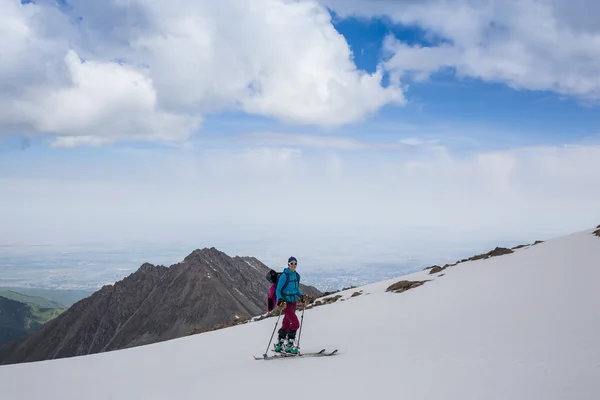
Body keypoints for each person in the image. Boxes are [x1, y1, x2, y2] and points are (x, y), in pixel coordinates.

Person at [274, 256, 306, 354]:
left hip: (293, 302)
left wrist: (301, 296)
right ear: (288, 264)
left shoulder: (297, 276)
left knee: (287, 323)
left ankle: (279, 344)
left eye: (295, 263)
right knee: (295, 323)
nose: (293, 265)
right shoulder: (284, 276)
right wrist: (280, 300)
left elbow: (296, 290)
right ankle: (290, 345)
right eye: (291, 263)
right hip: (285, 303)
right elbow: (278, 290)